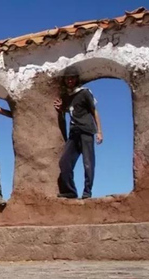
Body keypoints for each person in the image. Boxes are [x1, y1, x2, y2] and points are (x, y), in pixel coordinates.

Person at [54, 66, 103, 199]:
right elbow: (68, 110)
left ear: (76, 79)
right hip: (73, 133)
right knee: (64, 162)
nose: (69, 81)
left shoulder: (85, 93)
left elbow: (94, 111)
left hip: (86, 130)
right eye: (67, 79)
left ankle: (87, 192)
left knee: (88, 163)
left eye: (72, 78)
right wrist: (60, 109)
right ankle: (70, 191)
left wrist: (99, 132)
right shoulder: (67, 97)